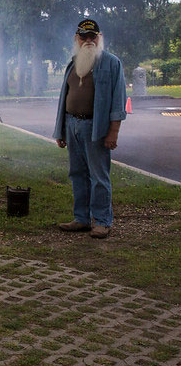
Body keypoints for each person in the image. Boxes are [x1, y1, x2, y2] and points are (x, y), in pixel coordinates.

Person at [53, 19, 127, 239]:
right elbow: (63, 98)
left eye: (92, 36)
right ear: (77, 38)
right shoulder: (73, 63)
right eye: (83, 37)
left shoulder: (112, 63)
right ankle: (82, 219)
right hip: (72, 124)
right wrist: (61, 130)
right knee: (77, 174)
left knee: (99, 176)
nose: (88, 41)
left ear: (99, 37)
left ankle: (103, 221)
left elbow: (118, 101)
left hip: (96, 128)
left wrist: (113, 132)